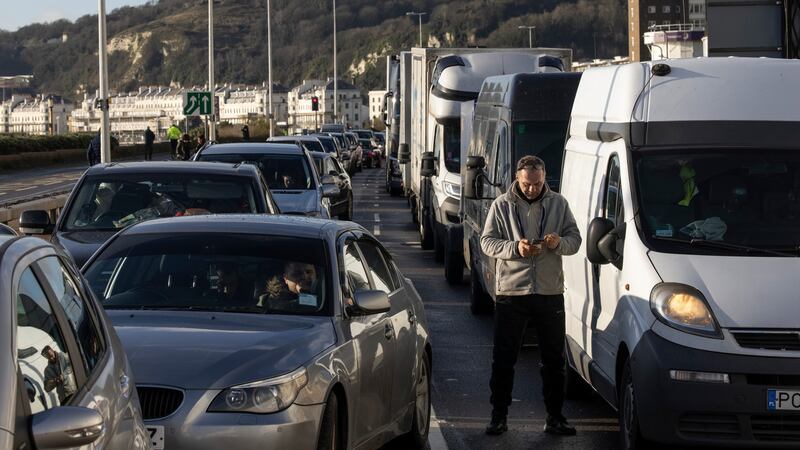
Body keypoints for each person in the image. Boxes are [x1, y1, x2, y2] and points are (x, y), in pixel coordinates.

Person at [480, 155, 582, 437]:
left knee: (553, 359)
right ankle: (498, 416)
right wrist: (516, 248)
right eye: (526, 184)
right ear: (517, 177)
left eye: (537, 184)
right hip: (512, 293)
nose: (532, 189)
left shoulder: (559, 203)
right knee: (504, 358)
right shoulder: (501, 205)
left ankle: (555, 417)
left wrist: (559, 243)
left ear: (544, 177)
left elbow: (575, 239)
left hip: (549, 291)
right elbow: (487, 241)